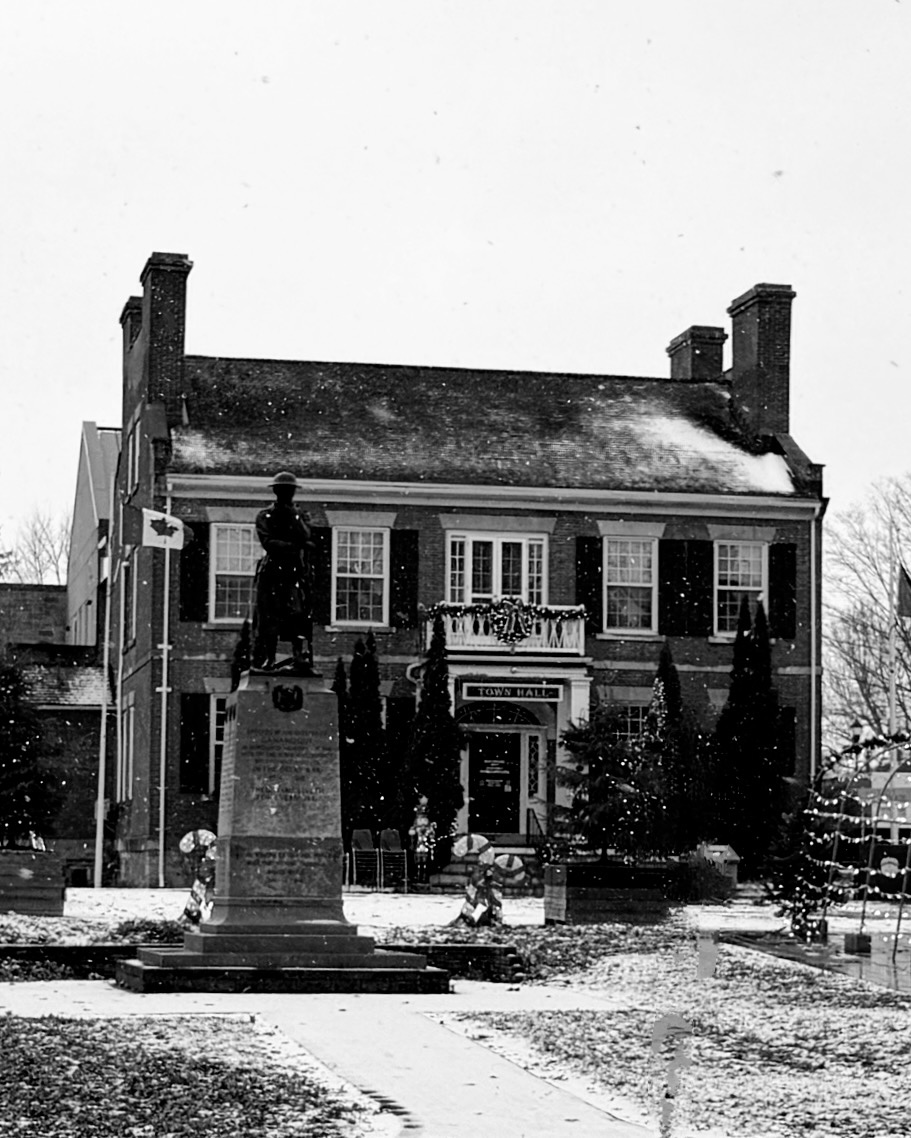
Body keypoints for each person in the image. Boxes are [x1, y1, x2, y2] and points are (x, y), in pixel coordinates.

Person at [251, 471, 317, 674]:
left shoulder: (301, 515)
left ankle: (299, 655)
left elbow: (307, 535)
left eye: (289, 491)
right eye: (282, 490)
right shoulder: (265, 515)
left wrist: (293, 516)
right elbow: (269, 543)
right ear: (276, 491)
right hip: (271, 571)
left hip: (295, 572)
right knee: (269, 616)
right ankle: (269, 658)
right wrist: (294, 545)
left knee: (298, 614)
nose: (286, 494)